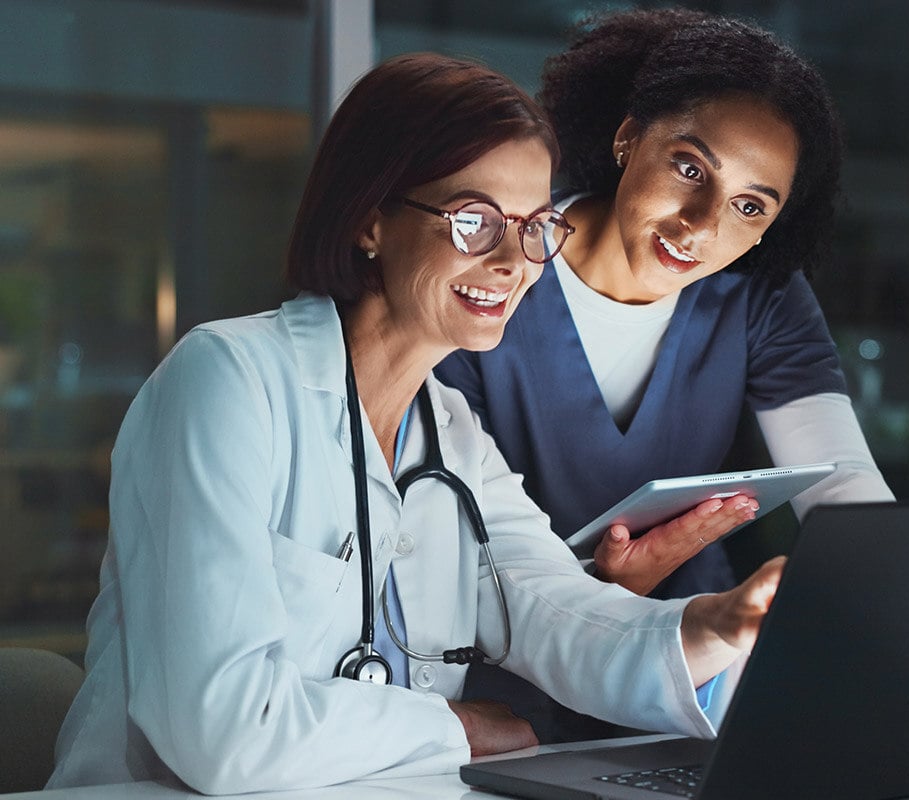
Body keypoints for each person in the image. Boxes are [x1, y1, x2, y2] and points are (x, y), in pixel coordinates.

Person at [46, 53, 785, 794]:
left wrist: (716, 626)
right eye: (474, 220)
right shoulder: (229, 380)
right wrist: (456, 728)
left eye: (535, 226)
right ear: (371, 217)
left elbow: (554, 610)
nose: (513, 261)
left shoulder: (451, 429)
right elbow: (223, 732)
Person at [436, 8, 894, 740]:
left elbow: (842, 485)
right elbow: (436, 556)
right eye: (690, 168)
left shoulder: (758, 295)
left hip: (693, 683)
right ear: (626, 137)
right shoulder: (494, 273)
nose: (702, 224)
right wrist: (606, 590)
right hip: (503, 695)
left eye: (750, 206)